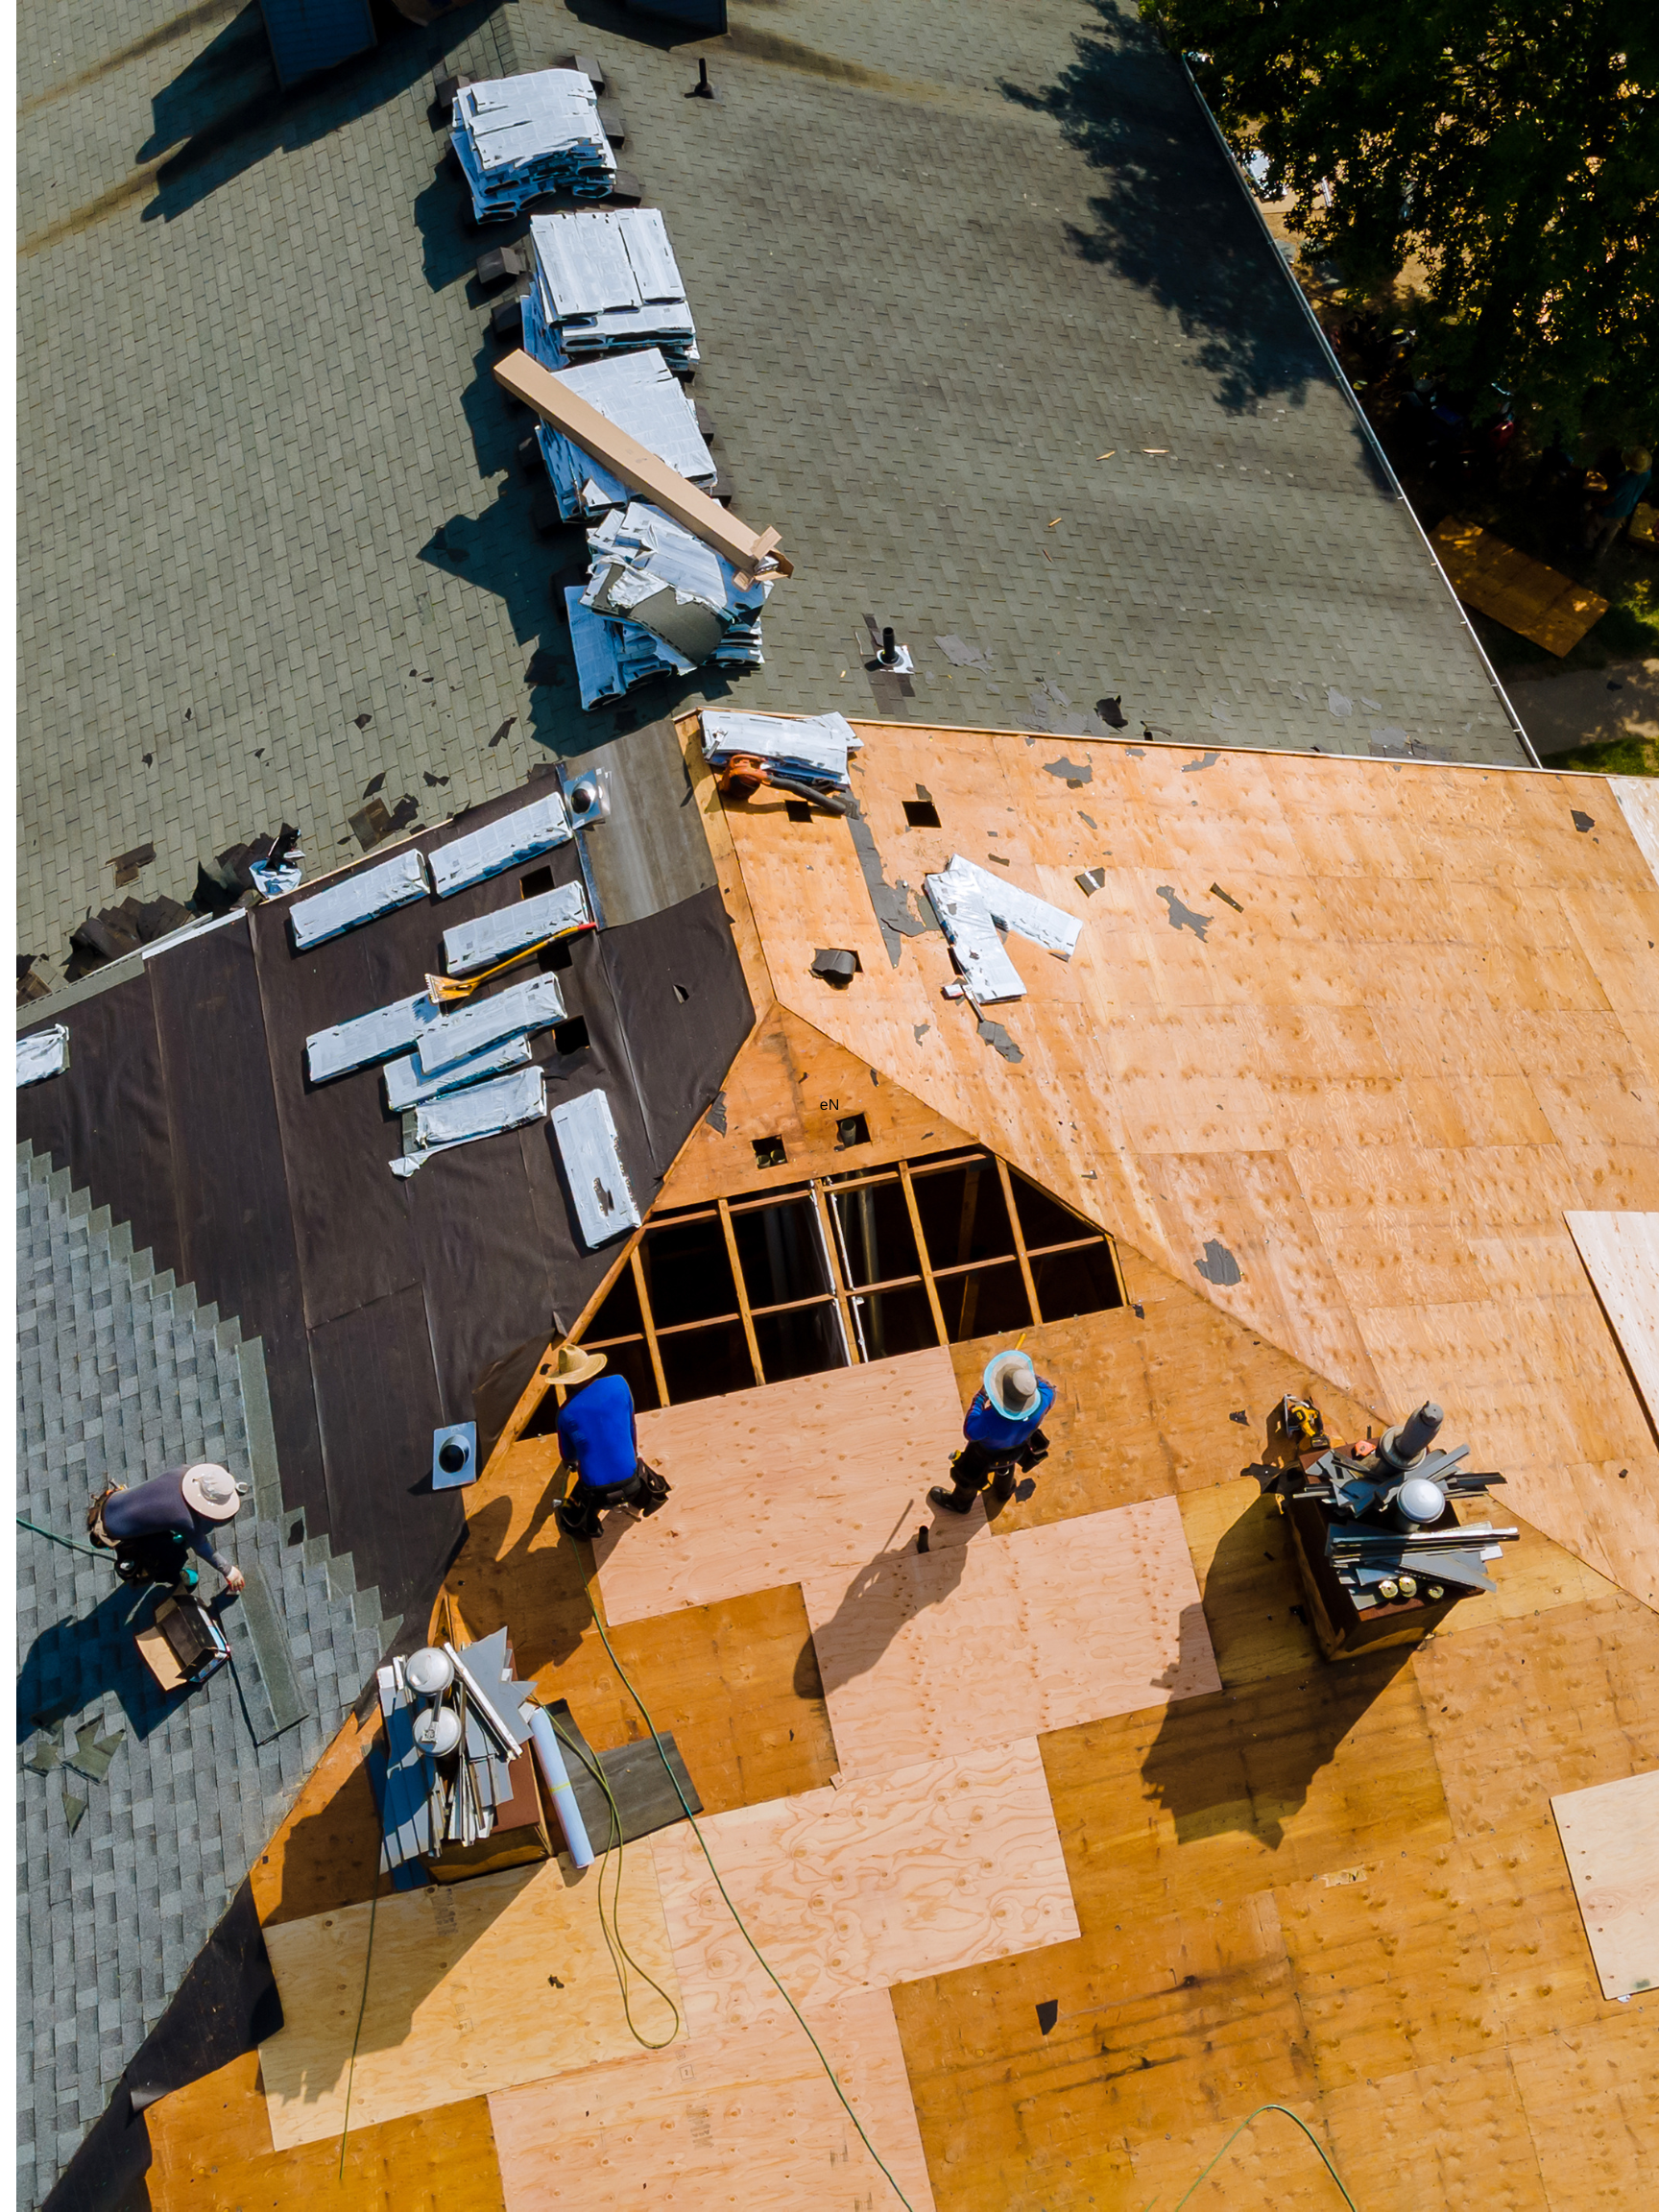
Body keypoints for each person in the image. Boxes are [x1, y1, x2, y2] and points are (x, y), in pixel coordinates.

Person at [550, 1345, 670, 1541]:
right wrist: (633, 1452)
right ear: (590, 1367)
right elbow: (631, 1424)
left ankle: (580, 1527)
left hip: (597, 1496)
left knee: (570, 1511)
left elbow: (570, 1459)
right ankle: (645, 1499)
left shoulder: (565, 1413)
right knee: (639, 1466)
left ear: (566, 1380)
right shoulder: (619, 1383)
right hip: (633, 1484)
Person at [928, 1349, 1056, 1516]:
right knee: (1005, 1468)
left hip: (983, 1455)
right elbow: (1045, 1384)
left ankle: (960, 1504)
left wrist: (980, 1397)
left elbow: (970, 1431)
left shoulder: (990, 1420)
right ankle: (1003, 1492)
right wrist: (1023, 1380)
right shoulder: (1047, 1395)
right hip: (1017, 1449)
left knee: (968, 1478)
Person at [88, 1463, 249, 1593]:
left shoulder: (184, 1471)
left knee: (165, 1528)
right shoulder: (185, 1520)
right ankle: (175, 1576)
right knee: (172, 1558)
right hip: (114, 1531)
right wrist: (228, 1570)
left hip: (111, 1503)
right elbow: (200, 1546)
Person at [1584, 446, 1652, 561]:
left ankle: (1587, 547)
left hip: (1607, 511)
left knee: (1590, 529)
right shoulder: (1647, 474)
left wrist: (1597, 504)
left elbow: (1610, 499)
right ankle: (1599, 554)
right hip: (1625, 511)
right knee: (1610, 533)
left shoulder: (1623, 479)